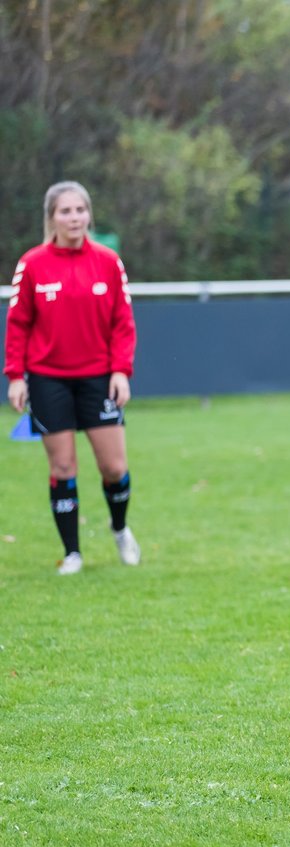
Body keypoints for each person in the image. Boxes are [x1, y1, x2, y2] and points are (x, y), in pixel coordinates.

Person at [5, 181, 141, 575]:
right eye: (65, 211)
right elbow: (18, 324)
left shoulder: (108, 261)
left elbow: (122, 323)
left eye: (80, 210)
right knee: (63, 467)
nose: (74, 218)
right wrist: (16, 376)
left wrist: (121, 370)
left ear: (89, 214)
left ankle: (120, 530)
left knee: (114, 468)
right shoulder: (31, 264)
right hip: (48, 379)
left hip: (99, 377)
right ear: (52, 217)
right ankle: (73, 553)